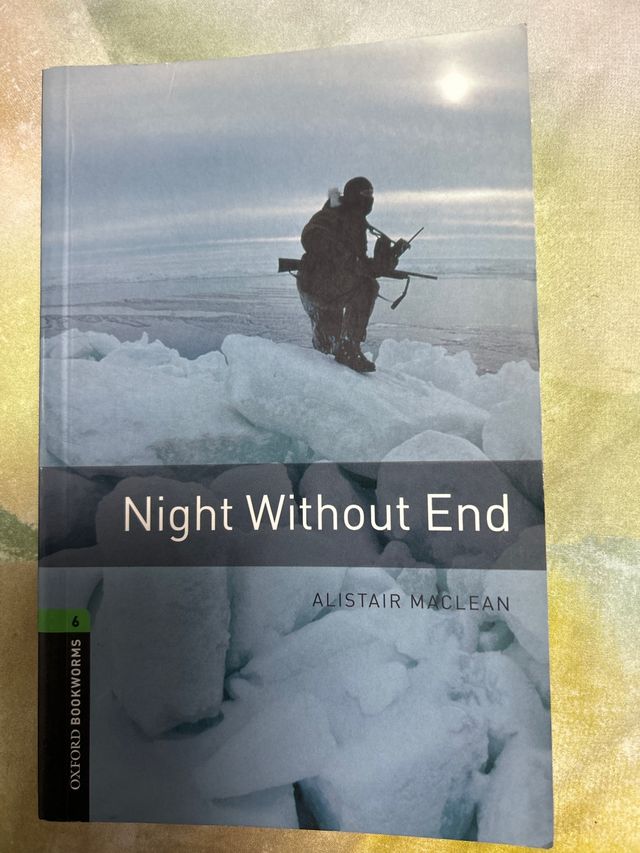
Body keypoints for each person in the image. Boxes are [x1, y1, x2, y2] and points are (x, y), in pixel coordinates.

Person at [296, 177, 380, 373]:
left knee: (328, 346)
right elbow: (310, 236)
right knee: (367, 286)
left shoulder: (356, 222)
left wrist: (382, 264)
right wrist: (345, 257)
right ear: (353, 195)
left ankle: (346, 350)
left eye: (371, 194)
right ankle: (348, 348)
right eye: (365, 194)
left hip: (330, 285)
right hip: (317, 284)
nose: (370, 198)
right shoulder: (331, 215)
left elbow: (359, 264)